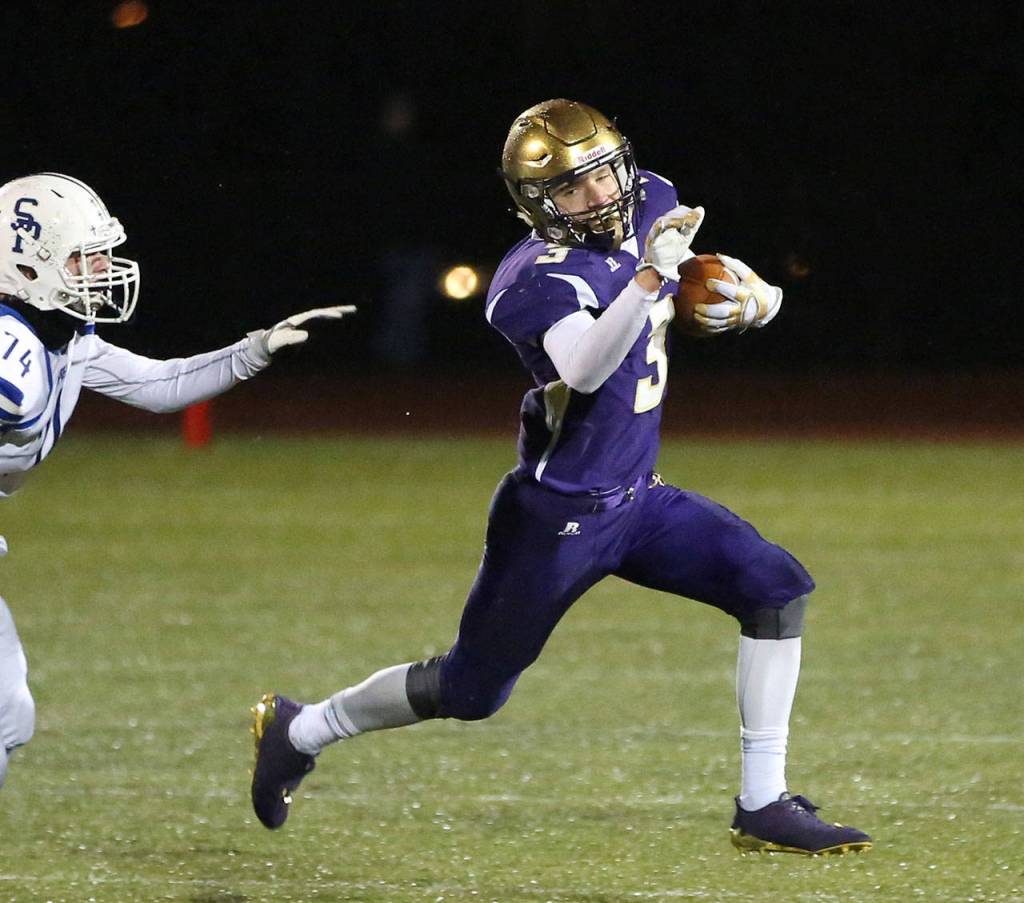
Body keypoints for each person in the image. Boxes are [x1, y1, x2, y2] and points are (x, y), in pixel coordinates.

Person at [250, 100, 871, 856]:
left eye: (606, 173)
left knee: (775, 586)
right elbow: (584, 363)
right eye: (574, 188)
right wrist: (649, 282)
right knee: (472, 690)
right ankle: (301, 726)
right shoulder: (531, 279)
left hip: (638, 498)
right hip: (555, 516)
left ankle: (763, 802)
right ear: (539, 204)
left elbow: (693, 284)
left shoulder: (655, 202)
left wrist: (756, 301)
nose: (602, 196)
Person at [0, 172, 354, 788]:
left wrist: (257, 349)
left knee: (9, 717)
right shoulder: (11, 347)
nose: (105, 268)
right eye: (85, 257)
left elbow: (161, 386)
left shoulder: (65, 338)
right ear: (26, 268)